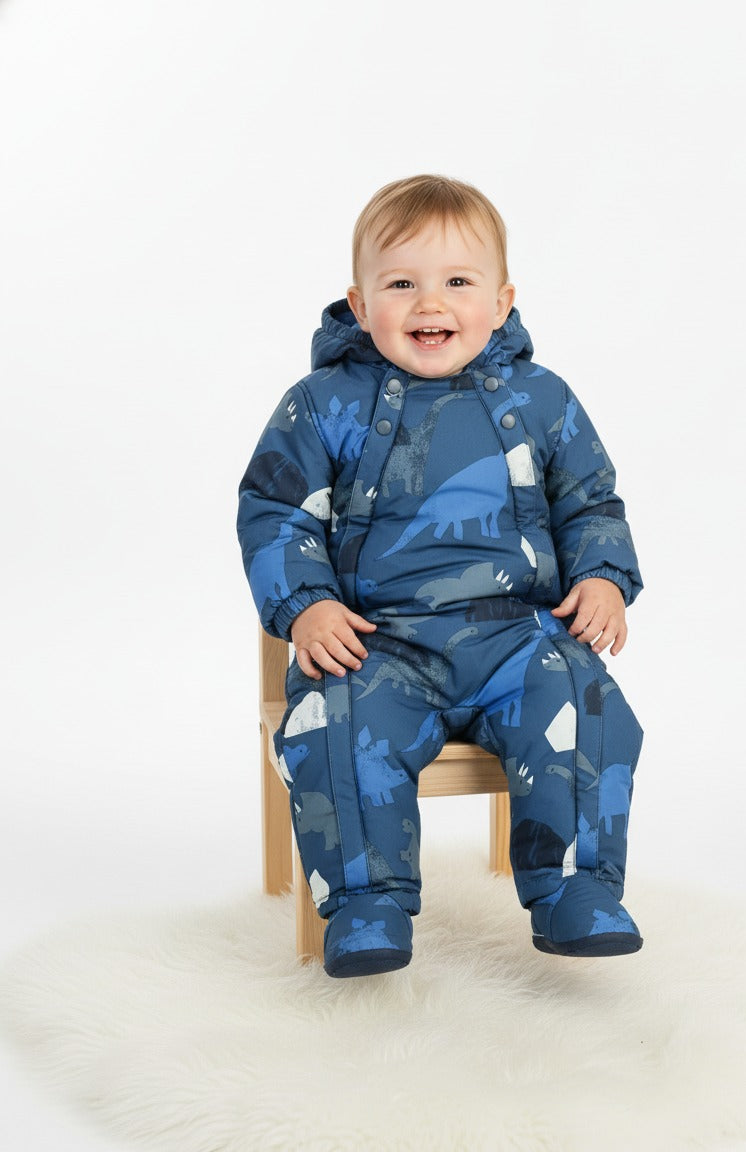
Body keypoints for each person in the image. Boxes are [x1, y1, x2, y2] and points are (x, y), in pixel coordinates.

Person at [237, 174, 645, 978]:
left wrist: (602, 576)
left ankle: (575, 887)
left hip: (517, 638)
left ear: (501, 302)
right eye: (402, 284)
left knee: (584, 697)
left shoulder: (543, 399)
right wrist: (306, 604)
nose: (431, 303)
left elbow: (591, 501)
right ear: (359, 305)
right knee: (333, 718)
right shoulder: (320, 404)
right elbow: (276, 511)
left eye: (458, 281)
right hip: (377, 644)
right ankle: (366, 903)